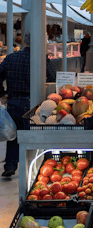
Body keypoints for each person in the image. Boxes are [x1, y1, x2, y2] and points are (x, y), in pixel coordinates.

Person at [0, 32, 55, 177]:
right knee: (35, 136)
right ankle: (36, 166)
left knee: (14, 135)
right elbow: (53, 78)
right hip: (33, 104)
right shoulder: (41, 59)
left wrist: (2, 94)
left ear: (24, 41)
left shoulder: (11, 58)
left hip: (13, 102)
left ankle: (10, 166)